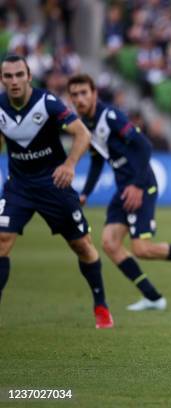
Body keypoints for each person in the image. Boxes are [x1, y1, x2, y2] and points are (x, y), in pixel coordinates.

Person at [67, 74, 171, 312]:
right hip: (125, 188)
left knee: (142, 248)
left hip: (140, 184)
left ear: (94, 94)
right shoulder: (85, 125)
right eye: (75, 95)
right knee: (110, 244)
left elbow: (144, 145)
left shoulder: (109, 116)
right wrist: (85, 193)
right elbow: (97, 159)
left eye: (84, 93)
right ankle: (152, 297)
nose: (80, 99)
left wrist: (137, 185)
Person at [0, 55, 113, 329]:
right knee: (2, 239)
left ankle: (101, 305)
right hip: (19, 186)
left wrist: (70, 164)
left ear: (29, 76)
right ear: (2, 80)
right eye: (8, 76)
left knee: (82, 246)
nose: (14, 81)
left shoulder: (47, 102)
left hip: (54, 184)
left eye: (19, 75)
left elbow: (82, 134)